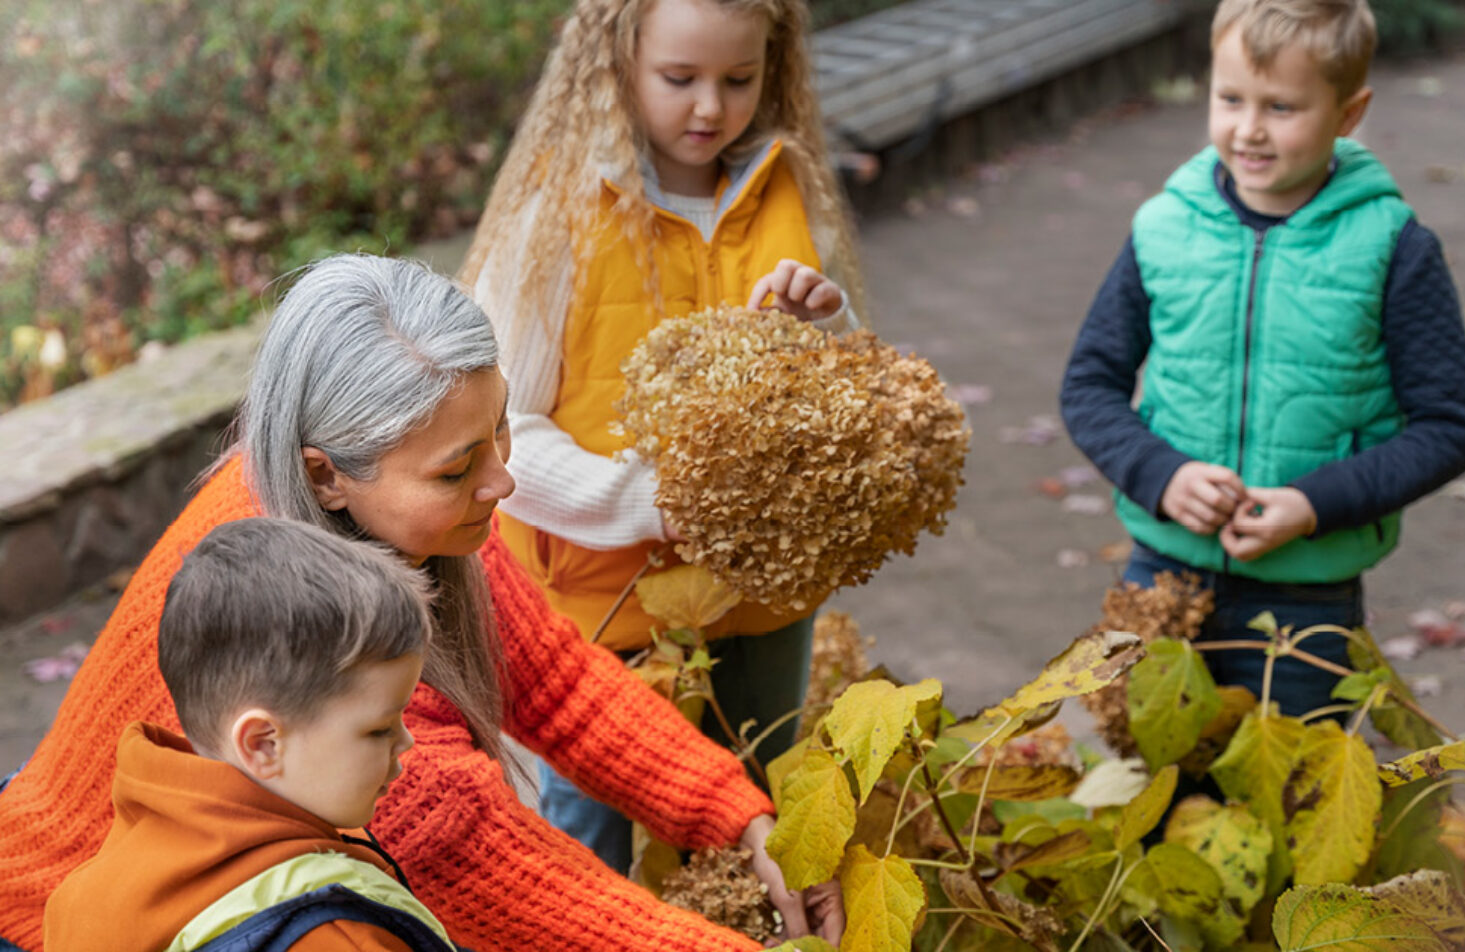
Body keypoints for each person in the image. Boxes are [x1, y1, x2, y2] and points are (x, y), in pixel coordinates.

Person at [0, 254, 839, 952]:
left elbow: (557, 685)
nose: (502, 481)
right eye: (455, 469)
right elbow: (572, 915)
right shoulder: (339, 703)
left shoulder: (380, 522)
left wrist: (739, 816)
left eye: (500, 430)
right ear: (326, 470)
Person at [457, 0, 866, 872]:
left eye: (739, 79)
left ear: (776, 66)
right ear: (616, 62)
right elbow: (492, 433)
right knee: (587, 845)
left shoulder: (790, 198)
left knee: (753, 817)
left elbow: (848, 410)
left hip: (760, 603)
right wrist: (645, 502)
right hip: (601, 612)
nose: (711, 108)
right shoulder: (554, 221)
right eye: (680, 79)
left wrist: (828, 328)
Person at [1059, 0, 1465, 717]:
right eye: (1230, 99)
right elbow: (1089, 387)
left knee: (1290, 802)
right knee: (1141, 793)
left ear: (1349, 114)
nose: (1248, 129)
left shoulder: (1394, 247)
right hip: (1162, 574)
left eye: (1282, 106)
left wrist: (1313, 506)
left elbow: (1448, 427)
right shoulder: (1164, 228)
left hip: (1305, 602)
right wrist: (1164, 477)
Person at [45, 518, 455, 951]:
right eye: (380, 729)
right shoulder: (333, 939)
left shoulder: (106, 876)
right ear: (263, 744)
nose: (406, 741)